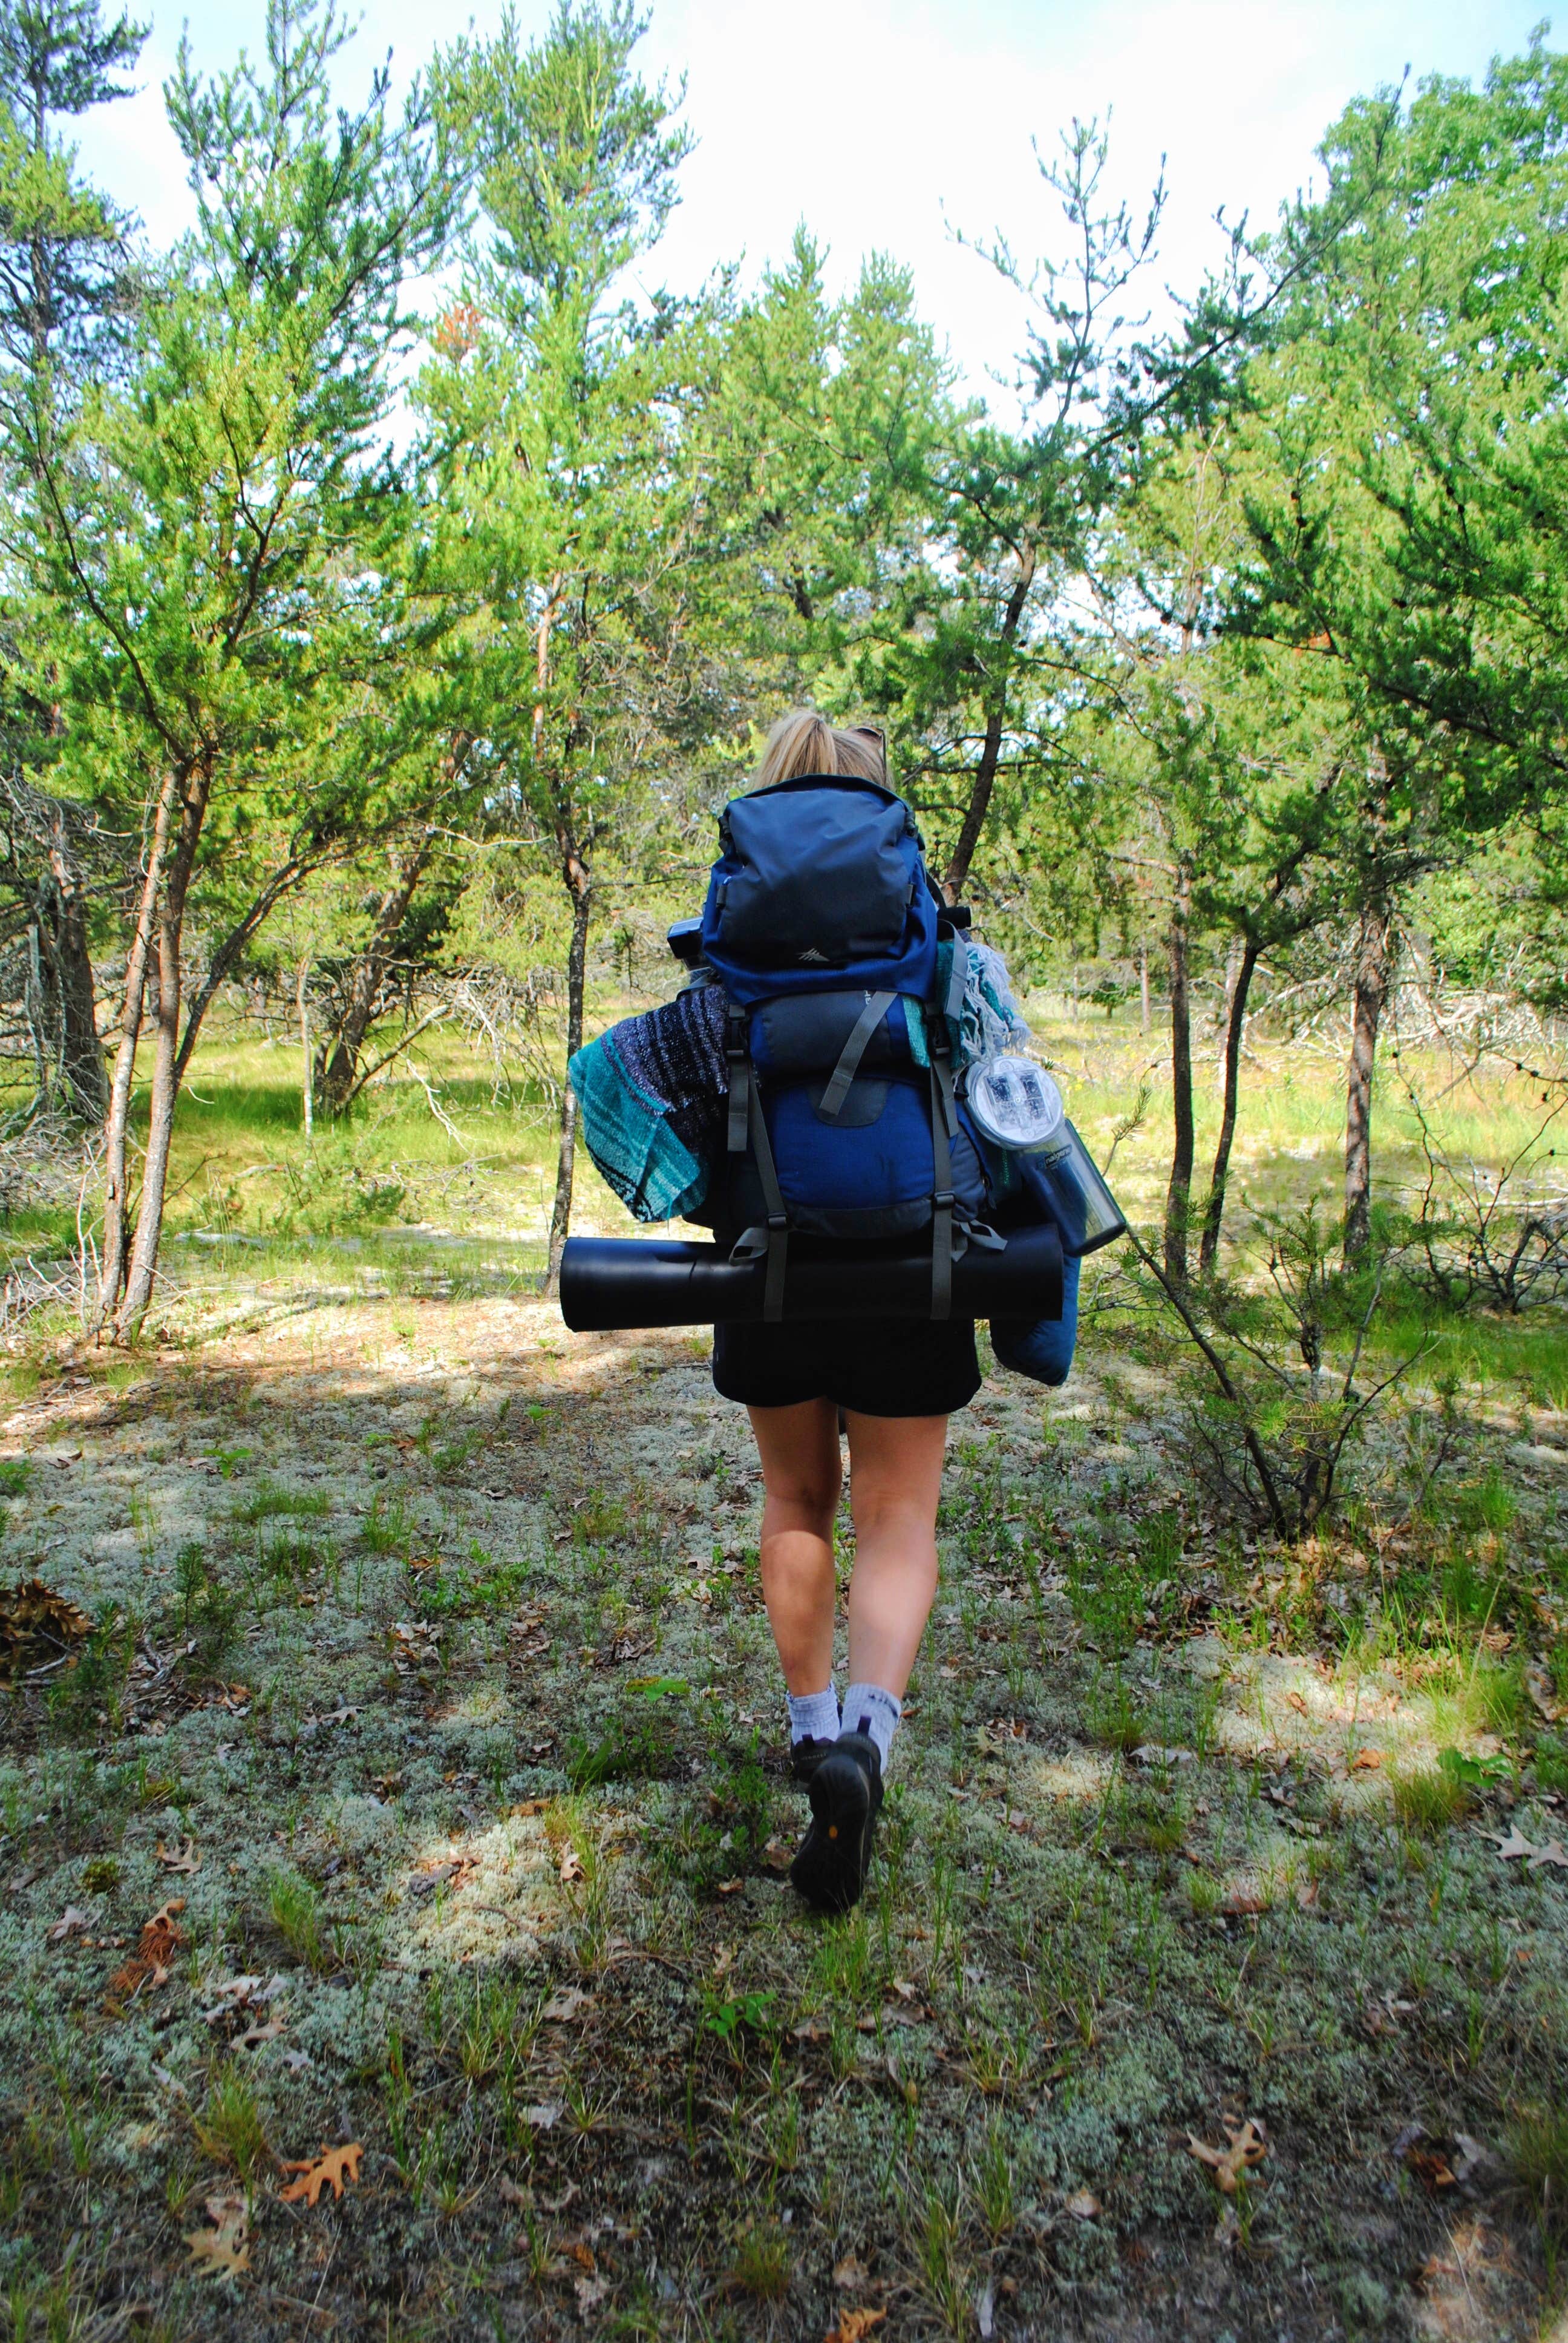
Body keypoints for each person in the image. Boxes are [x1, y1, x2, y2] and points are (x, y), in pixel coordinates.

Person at [570, 709, 1070, 1916]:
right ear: (883, 818)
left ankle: (807, 1736)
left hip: (770, 1274)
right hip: (924, 1272)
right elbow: (1020, 1106)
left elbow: (606, 1078)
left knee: (798, 1499)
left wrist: (699, 1192)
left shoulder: (728, 967)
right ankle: (869, 1741)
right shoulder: (944, 957)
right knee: (899, 1514)